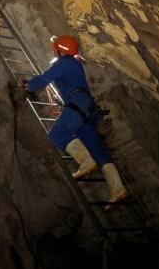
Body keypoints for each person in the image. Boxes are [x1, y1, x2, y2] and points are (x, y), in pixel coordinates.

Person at [24, 35, 128, 211]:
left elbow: (43, 79)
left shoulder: (64, 63)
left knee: (57, 135)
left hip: (78, 103)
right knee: (97, 151)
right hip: (87, 108)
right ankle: (118, 188)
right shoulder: (75, 63)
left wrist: (28, 86)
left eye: (55, 48)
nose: (53, 51)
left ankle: (85, 162)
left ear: (59, 50)